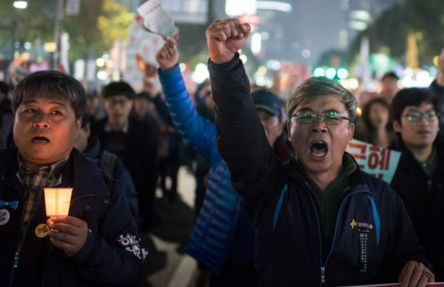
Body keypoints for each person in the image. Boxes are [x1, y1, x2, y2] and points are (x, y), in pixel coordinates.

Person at [206, 18, 432, 287]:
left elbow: (411, 254)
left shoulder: (381, 198)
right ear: (289, 130)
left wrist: (418, 267)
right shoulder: (269, 185)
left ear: (350, 132)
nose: (319, 125)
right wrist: (225, 64)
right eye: (306, 115)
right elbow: (240, 131)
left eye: (332, 116)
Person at [156, 40, 291, 286]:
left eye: (268, 116)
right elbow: (187, 119)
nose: (260, 123)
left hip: (273, 269)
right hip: (224, 262)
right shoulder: (223, 146)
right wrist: (170, 71)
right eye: (254, 115)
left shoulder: (293, 165)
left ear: (282, 125)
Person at [0, 71, 145, 286]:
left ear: (77, 125)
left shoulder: (103, 187)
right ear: (14, 119)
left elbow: (132, 266)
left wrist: (88, 247)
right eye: (30, 110)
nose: (41, 122)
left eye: (56, 112)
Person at [388, 88, 444, 278]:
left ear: (439, 123)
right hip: (404, 274)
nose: (423, 122)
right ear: (397, 125)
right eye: (412, 116)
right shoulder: (383, 170)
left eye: (430, 115)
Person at [92, 81, 160, 231]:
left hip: (134, 194)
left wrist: (146, 206)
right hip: (99, 196)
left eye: (122, 102)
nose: (117, 108)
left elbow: (151, 171)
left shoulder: (145, 132)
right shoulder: (94, 131)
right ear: (105, 103)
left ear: (131, 103)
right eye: (112, 102)